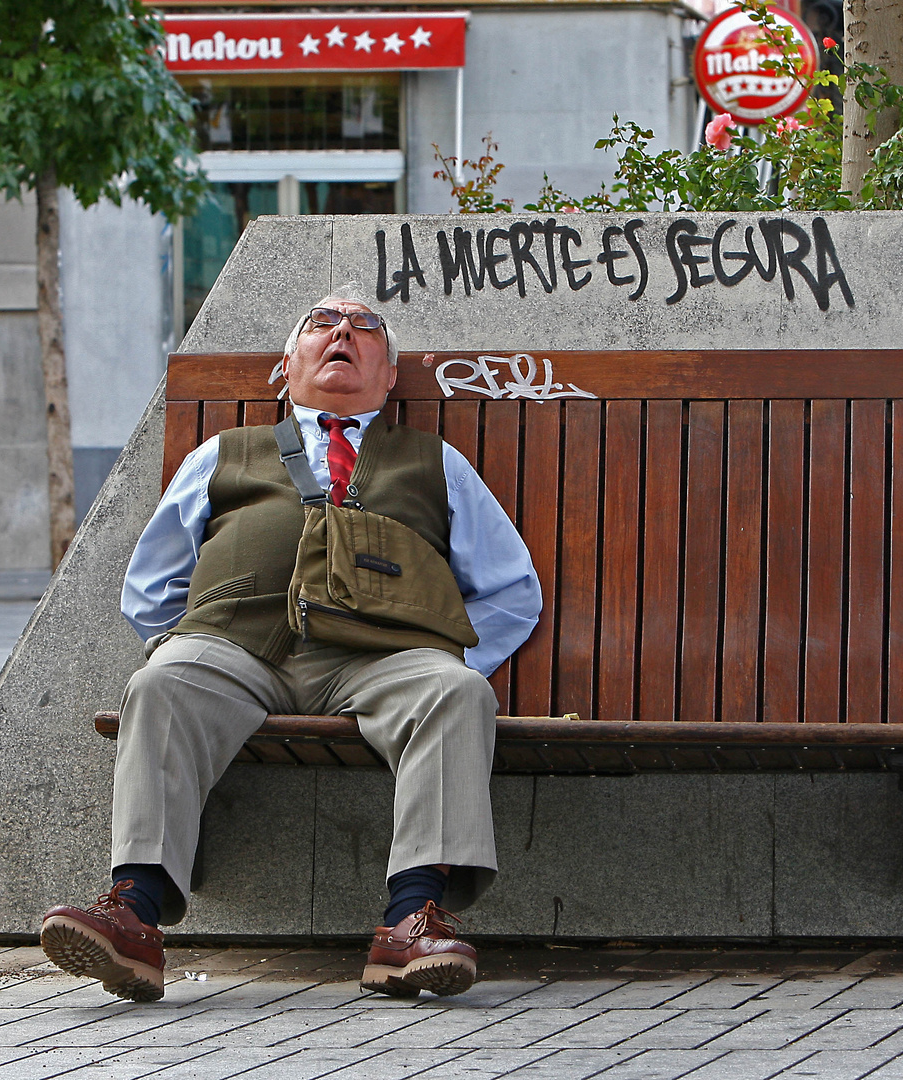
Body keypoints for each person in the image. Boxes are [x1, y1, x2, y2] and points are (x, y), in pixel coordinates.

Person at [39, 291, 541, 1002]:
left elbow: (512, 590)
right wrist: (192, 645)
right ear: (288, 364)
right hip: (239, 653)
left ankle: (411, 923)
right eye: (322, 324)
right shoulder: (225, 454)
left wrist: (445, 656)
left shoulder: (436, 463)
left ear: (390, 374)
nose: (344, 333)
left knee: (458, 693)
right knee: (162, 683)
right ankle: (134, 917)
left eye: (365, 328)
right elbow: (151, 583)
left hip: (383, 662)